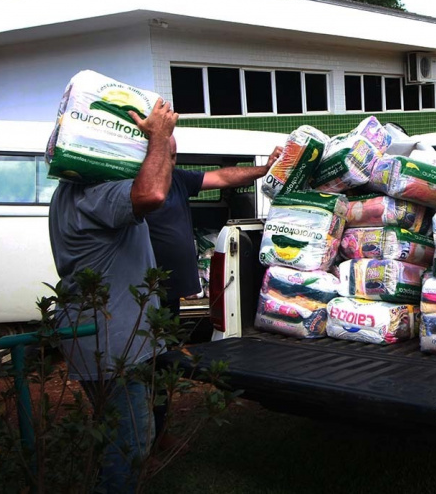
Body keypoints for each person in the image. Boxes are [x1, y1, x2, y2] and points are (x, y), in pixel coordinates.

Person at [47, 97, 179, 493]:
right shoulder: (97, 194)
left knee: (124, 431)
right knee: (130, 443)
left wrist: (162, 144)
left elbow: (161, 174)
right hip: (111, 342)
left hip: (106, 336)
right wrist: (156, 138)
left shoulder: (70, 192)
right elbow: (153, 193)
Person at [145, 138, 283, 318]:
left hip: (172, 288)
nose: (172, 162)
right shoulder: (136, 188)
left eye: (174, 156)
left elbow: (222, 177)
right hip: (147, 286)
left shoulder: (178, 179)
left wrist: (264, 170)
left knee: (166, 333)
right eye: (167, 157)